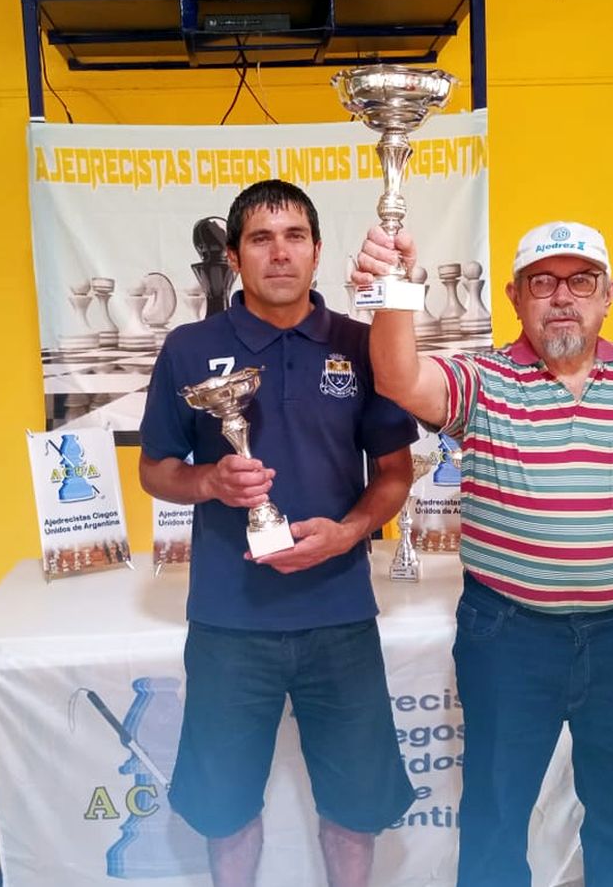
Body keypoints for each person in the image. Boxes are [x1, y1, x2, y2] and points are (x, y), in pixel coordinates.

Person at [356, 221, 613, 886]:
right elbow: (398, 378)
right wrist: (394, 286)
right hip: (509, 635)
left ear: (609, 294)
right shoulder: (482, 380)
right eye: (542, 282)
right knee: (495, 811)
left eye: (581, 281)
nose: (562, 297)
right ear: (515, 297)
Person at [139, 179, 417, 887]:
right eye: (261, 239)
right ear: (234, 257)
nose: (280, 253)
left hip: (339, 616)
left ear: (317, 251)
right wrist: (210, 482)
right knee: (225, 810)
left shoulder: (361, 344)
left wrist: (350, 532)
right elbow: (155, 470)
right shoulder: (190, 347)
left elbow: (394, 472)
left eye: (295, 237)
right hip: (230, 620)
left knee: (355, 808)